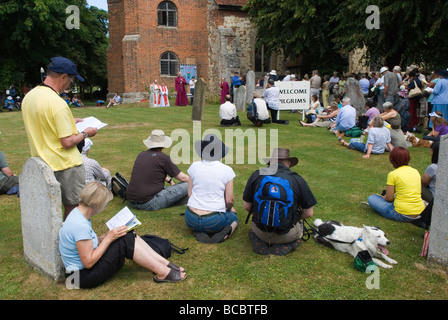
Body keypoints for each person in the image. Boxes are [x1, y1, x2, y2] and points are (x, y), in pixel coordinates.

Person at [59, 182, 187, 288]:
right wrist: (108, 239)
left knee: (126, 235)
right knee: (125, 240)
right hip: (80, 277)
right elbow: (88, 262)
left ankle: (165, 265)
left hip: (79, 273)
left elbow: (84, 244)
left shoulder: (79, 214)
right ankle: (163, 272)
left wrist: (102, 238)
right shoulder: (80, 225)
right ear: (96, 205)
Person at [21, 57, 98, 219]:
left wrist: (70, 121)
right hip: (65, 163)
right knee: (74, 206)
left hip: (42, 160)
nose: (71, 84)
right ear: (63, 77)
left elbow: (45, 122)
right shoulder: (57, 103)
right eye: (71, 80)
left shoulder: (30, 97)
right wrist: (86, 133)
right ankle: (70, 240)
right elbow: (67, 142)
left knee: (49, 208)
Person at [243, 148, 317, 247]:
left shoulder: (257, 174)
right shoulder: (297, 179)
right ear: (289, 163)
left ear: (270, 162)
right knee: (299, 227)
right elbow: (308, 213)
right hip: (287, 236)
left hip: (260, 233)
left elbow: (247, 206)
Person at [184, 134, 238, 243]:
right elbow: (229, 200)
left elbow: (190, 194)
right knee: (234, 218)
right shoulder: (227, 170)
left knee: (200, 223)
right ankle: (224, 233)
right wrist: (229, 209)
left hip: (190, 218)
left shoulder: (194, 166)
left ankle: (197, 230)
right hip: (213, 220)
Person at [126, 130, 189, 211]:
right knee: (188, 185)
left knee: (184, 193)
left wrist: (169, 180)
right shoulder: (164, 158)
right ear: (163, 145)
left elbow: (150, 173)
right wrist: (197, 180)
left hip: (131, 201)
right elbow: (183, 178)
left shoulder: (141, 155)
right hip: (148, 202)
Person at [365, 147, 425, 222]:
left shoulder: (393, 174)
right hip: (419, 211)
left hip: (402, 213)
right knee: (395, 196)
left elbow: (389, 198)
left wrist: (385, 197)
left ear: (392, 160)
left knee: (372, 198)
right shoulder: (415, 171)